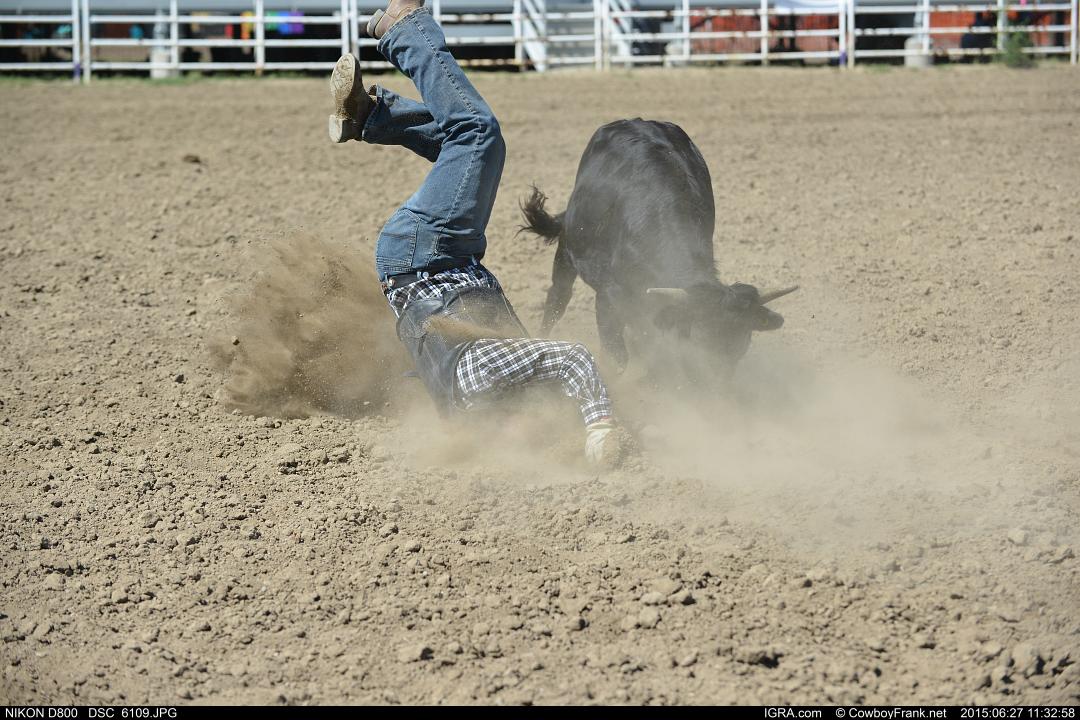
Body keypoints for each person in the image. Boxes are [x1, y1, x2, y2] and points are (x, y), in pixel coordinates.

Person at [327, 0, 624, 466]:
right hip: (434, 262)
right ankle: (369, 116)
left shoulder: (482, 376)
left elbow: (574, 359)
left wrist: (600, 425)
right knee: (461, 147)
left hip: (429, 252)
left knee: (478, 133)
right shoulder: (470, 403)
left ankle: (404, 29)